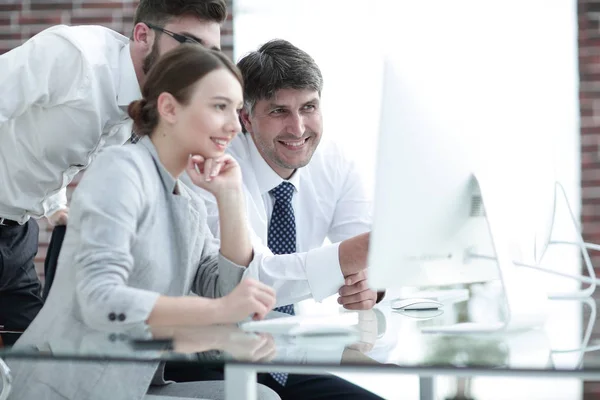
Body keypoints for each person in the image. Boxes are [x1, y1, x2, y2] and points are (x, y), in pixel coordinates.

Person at [7, 44, 279, 400]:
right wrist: (217, 315)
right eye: (219, 107)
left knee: (260, 396)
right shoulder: (121, 169)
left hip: (133, 384)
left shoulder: (186, 198)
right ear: (168, 107)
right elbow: (100, 298)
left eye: (237, 110)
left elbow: (226, 291)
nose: (233, 125)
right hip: (68, 386)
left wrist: (230, 198)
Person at [0, 0, 229, 346]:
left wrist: (54, 206)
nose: (199, 64)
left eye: (211, 53)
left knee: (31, 357)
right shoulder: (74, 57)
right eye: (190, 45)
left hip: (17, 235)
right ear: (143, 35)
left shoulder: (146, 103)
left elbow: (44, 145)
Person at [176, 39, 384, 400]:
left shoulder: (336, 161)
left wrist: (371, 284)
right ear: (245, 117)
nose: (298, 127)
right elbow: (248, 281)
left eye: (309, 107)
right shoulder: (211, 167)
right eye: (278, 112)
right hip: (205, 355)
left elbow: (367, 256)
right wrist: (349, 258)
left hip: (284, 357)